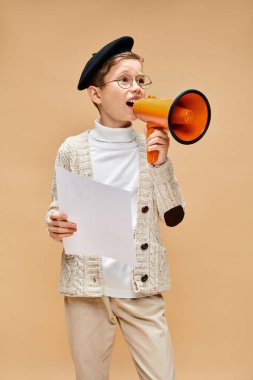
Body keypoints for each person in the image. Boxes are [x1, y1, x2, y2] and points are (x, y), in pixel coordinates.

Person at [46, 36, 185, 380]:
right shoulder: (72, 149)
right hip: (87, 291)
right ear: (96, 94)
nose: (135, 88)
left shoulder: (149, 146)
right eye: (124, 79)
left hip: (141, 286)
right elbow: (58, 204)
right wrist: (52, 220)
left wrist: (161, 164)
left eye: (140, 79)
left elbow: (174, 215)